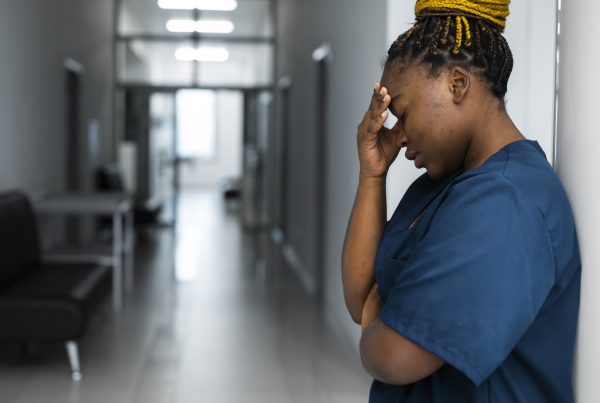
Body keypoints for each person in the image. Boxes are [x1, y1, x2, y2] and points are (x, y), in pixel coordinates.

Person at [341, 0, 581, 402]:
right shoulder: (441, 183)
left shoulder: (507, 202)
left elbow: (392, 355)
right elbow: (360, 297)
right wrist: (371, 174)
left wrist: (375, 322)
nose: (398, 135)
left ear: (457, 84)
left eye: (402, 112)